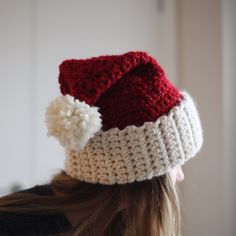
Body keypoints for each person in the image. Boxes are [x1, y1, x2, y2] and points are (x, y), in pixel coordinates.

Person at [0, 51, 203, 236]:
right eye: (175, 163)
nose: (180, 175)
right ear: (134, 172)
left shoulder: (119, 223)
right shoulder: (12, 225)